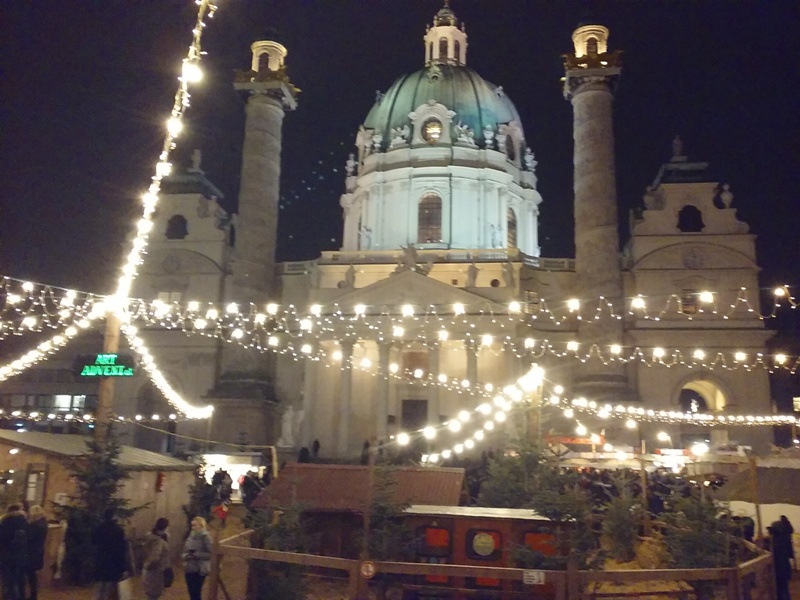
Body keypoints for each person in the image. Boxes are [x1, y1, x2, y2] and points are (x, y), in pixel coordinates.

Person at [93, 507, 128, 600]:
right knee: (108, 590)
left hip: (100, 561)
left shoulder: (99, 528)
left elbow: (94, 543)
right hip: (113, 563)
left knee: (99, 588)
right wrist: (123, 567)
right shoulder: (118, 530)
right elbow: (121, 549)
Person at [0, 504, 28, 600]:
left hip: (6, 555)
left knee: (7, 580)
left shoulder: (4, 522)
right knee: (19, 579)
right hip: (21, 555)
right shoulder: (25, 522)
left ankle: (7, 597)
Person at [182, 516, 212, 600]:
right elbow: (184, 551)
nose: (193, 528)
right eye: (192, 526)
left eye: (195, 525)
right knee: (191, 592)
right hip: (189, 567)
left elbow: (211, 553)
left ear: (201, 526)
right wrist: (186, 556)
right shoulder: (190, 537)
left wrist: (197, 555)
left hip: (199, 569)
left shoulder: (205, 537)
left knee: (196, 592)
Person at [142, 518, 171, 600]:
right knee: (154, 595)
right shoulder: (158, 540)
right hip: (156, 570)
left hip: (148, 568)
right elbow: (155, 557)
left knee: (151, 594)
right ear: (165, 527)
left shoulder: (151, 536)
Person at [26, 505, 48, 600]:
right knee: (32, 574)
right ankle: (33, 594)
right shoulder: (44, 524)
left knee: (31, 575)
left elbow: (29, 537)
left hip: (31, 552)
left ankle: (32, 595)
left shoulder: (34, 525)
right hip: (38, 552)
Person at [767, 521, 792, 600]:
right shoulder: (784, 539)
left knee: (781, 590)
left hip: (779, 570)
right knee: (782, 589)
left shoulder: (777, 542)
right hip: (782, 569)